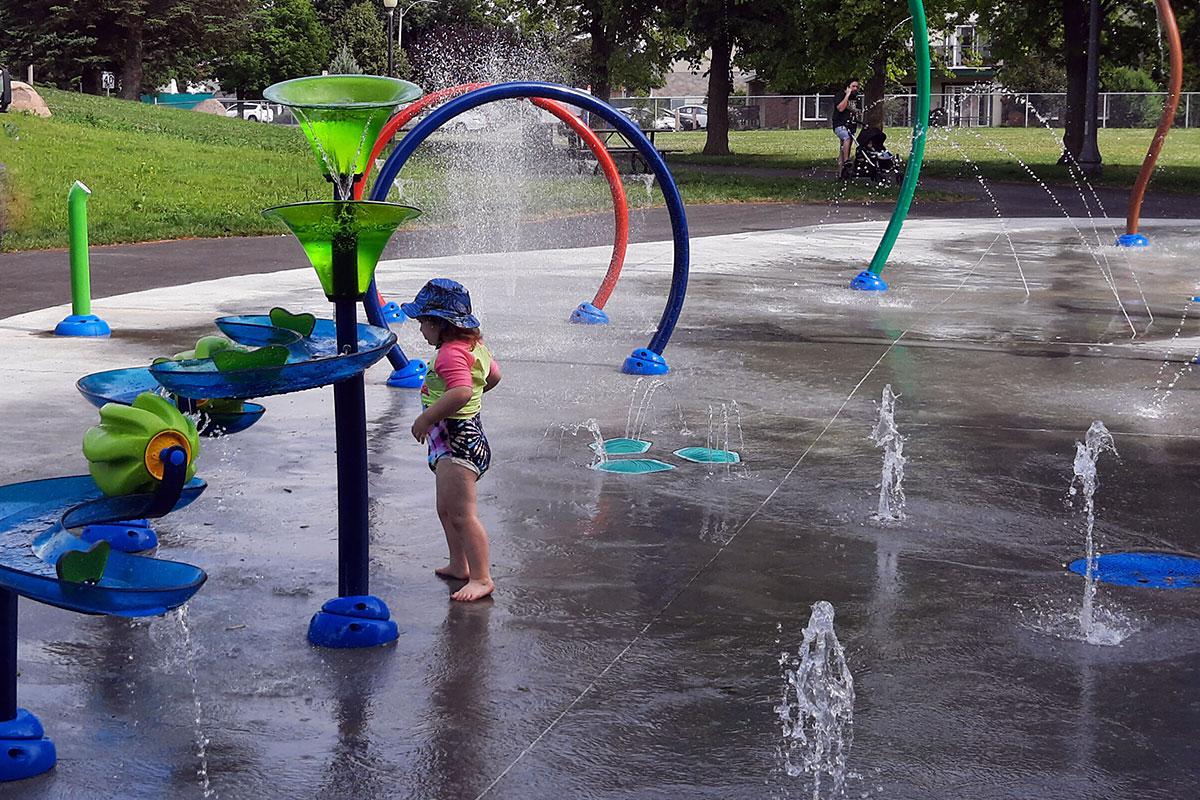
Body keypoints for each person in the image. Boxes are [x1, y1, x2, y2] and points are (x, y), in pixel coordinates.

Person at [403, 278, 502, 602]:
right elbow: (493, 376)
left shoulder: (448, 354)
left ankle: (481, 577)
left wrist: (427, 417)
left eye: (423, 323)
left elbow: (460, 391)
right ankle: (459, 565)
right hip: (455, 440)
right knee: (446, 509)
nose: (420, 331)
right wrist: (474, 394)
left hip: (458, 442)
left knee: (462, 513)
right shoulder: (475, 346)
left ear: (439, 324)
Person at [830, 80, 862, 174]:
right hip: (840, 125)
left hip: (851, 126)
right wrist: (847, 95)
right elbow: (840, 108)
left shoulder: (856, 98)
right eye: (853, 86)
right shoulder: (840, 95)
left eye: (857, 87)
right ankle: (847, 161)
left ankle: (841, 173)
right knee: (846, 138)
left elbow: (858, 111)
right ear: (848, 87)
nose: (855, 89)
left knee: (843, 149)